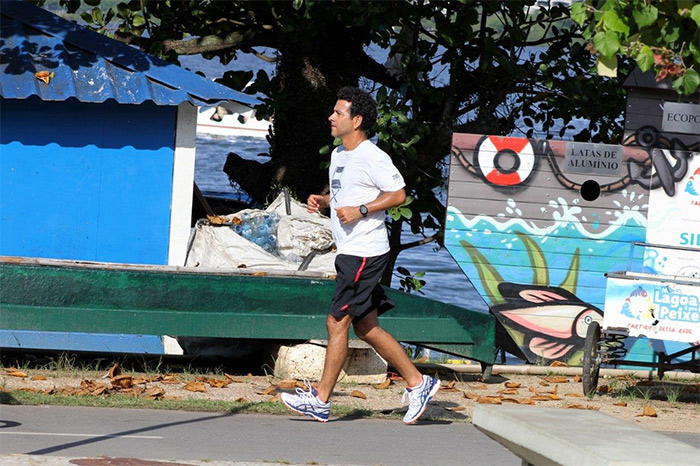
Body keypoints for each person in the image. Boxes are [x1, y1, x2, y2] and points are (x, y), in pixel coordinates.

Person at [280, 87, 440, 424]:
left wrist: (363, 209)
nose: (331, 117)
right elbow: (346, 195)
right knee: (366, 327)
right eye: (333, 112)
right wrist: (325, 202)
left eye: (338, 113)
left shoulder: (373, 156)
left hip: (364, 253)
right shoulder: (340, 154)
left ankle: (321, 401)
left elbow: (398, 195)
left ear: (358, 120)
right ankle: (418, 382)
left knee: (336, 321)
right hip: (350, 253)